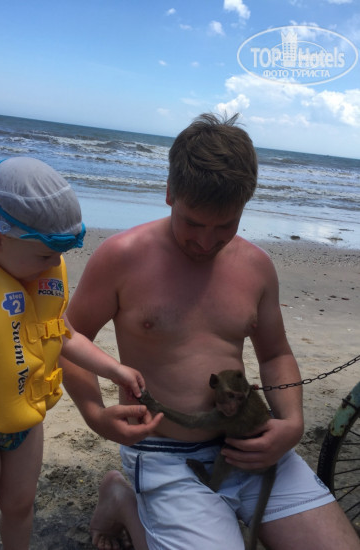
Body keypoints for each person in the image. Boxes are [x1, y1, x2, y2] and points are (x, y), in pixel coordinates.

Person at [62, 114, 360, 550]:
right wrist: (94, 413)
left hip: (252, 441)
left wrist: (292, 424)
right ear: (170, 193)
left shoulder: (256, 266)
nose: (206, 241)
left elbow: (275, 354)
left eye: (225, 225)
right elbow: (68, 339)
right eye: (193, 223)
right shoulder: (121, 257)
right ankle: (124, 501)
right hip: (164, 451)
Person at [0, 157, 161, 550]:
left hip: (27, 421)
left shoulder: (39, 275)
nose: (53, 266)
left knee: (20, 506)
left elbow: (64, 334)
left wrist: (114, 369)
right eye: (44, 256)